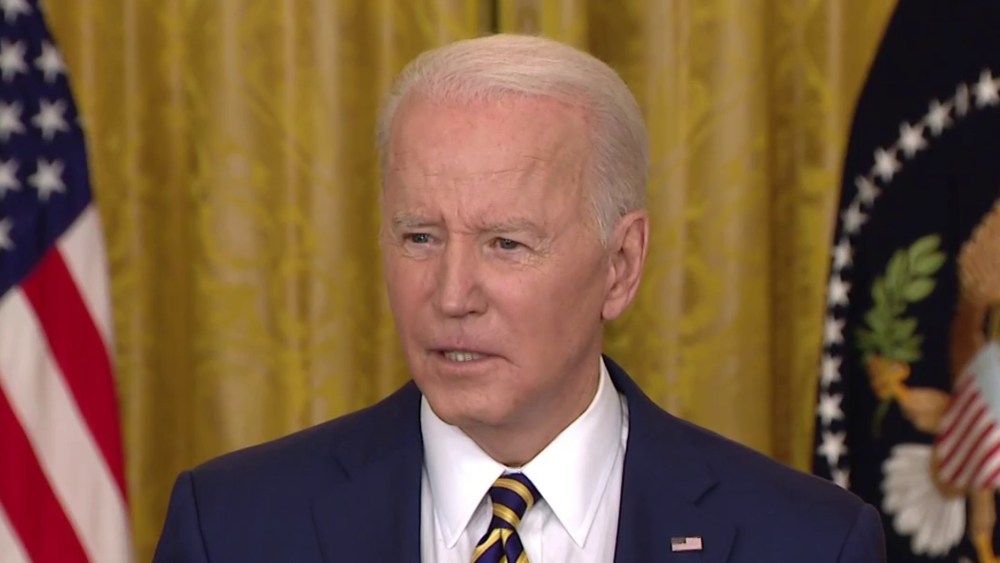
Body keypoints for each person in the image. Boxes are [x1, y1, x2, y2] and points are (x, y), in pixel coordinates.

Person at [153, 34, 886, 562]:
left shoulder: (807, 542)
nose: (452, 294)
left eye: (506, 243)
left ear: (621, 265)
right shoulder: (232, 529)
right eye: (419, 237)